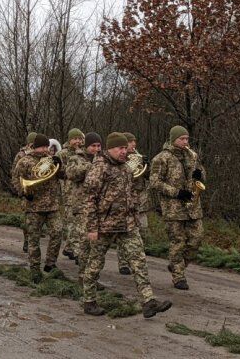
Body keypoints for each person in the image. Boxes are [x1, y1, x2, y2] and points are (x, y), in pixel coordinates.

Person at [82, 132, 172, 318]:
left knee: (139, 261)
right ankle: (89, 301)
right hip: (104, 226)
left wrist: (134, 217)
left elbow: (131, 195)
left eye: (125, 148)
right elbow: (89, 200)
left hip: (127, 225)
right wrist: (92, 227)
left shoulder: (126, 168)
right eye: (120, 148)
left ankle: (148, 302)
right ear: (110, 149)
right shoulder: (99, 168)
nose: (124, 152)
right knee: (95, 264)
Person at [149, 125, 205, 290]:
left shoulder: (191, 156)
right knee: (177, 242)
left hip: (193, 207)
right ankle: (178, 276)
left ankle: (177, 265)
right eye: (182, 139)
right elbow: (154, 182)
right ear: (173, 139)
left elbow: (202, 173)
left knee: (197, 239)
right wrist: (176, 193)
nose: (185, 142)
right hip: (173, 208)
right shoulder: (161, 158)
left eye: (187, 139)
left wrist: (199, 175)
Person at [16, 133, 64, 283]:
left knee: (58, 232)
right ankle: (35, 269)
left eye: (46, 147)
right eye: (42, 147)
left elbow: (65, 175)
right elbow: (17, 179)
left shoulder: (51, 160)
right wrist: (24, 193)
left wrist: (60, 165)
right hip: (34, 207)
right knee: (34, 240)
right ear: (35, 147)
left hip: (53, 205)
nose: (45, 150)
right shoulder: (25, 161)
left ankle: (50, 263)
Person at [65, 132, 102, 284]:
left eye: (99, 146)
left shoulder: (103, 159)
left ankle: (91, 277)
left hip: (98, 207)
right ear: (86, 147)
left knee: (97, 245)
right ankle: (83, 277)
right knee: (84, 244)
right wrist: (90, 166)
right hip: (81, 206)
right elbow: (71, 174)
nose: (96, 149)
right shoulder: (76, 158)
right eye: (93, 146)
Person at [118, 132, 150, 275]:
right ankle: (123, 262)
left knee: (143, 230)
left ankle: (137, 259)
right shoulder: (119, 159)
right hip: (126, 200)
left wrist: (147, 166)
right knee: (125, 231)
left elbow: (149, 178)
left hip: (141, 201)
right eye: (131, 142)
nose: (133, 145)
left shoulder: (139, 157)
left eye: (134, 142)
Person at [56, 128, 85, 261]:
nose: (78, 141)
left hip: (81, 192)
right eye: (75, 139)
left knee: (77, 222)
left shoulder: (83, 153)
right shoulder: (62, 154)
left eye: (79, 139)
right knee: (71, 220)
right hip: (68, 192)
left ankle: (69, 247)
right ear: (69, 140)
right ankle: (73, 248)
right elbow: (58, 171)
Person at [11, 132, 37, 253]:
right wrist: (21, 191)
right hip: (25, 191)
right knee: (27, 219)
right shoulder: (20, 155)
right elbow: (15, 174)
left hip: (38, 192)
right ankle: (27, 240)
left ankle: (33, 240)